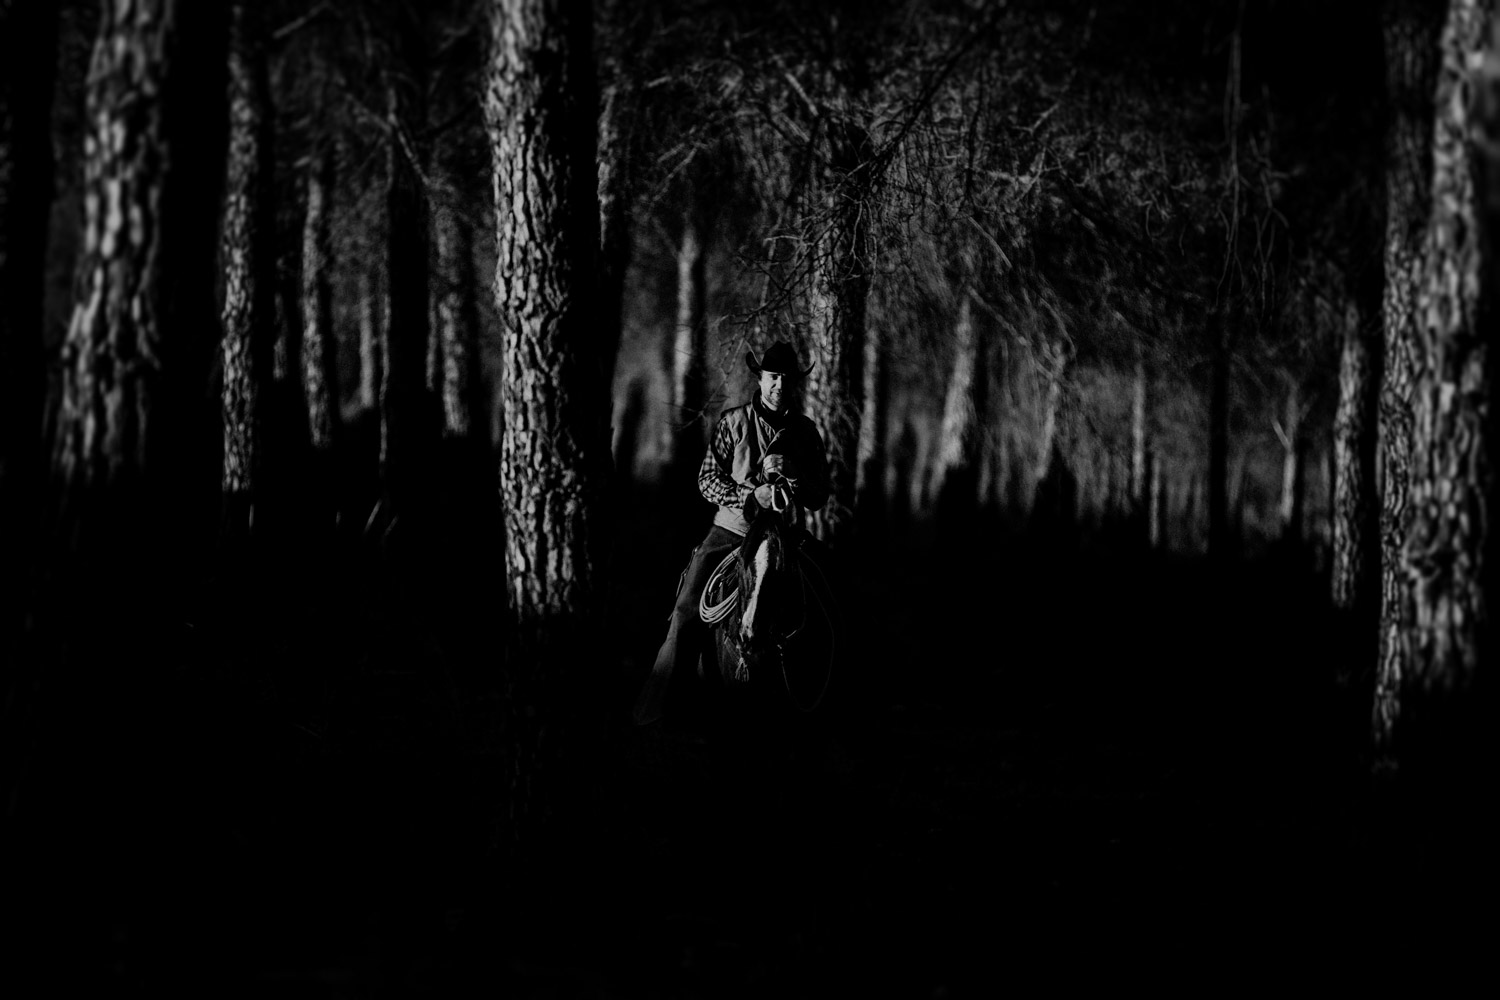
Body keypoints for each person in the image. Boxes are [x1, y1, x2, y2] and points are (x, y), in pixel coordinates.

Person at [632, 340, 830, 725]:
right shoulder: (733, 422)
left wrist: (794, 475)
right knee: (686, 611)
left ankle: (829, 703)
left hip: (787, 539)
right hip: (732, 532)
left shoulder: (807, 433)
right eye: (773, 377)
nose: (779, 385)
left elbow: (820, 495)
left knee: (832, 592)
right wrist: (749, 495)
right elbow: (706, 480)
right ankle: (659, 708)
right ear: (761, 379)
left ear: (795, 383)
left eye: (787, 379)